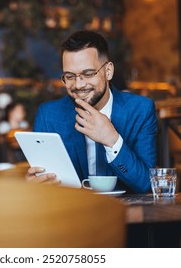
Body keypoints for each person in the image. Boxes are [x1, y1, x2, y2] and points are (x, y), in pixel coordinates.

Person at [26, 30, 157, 193]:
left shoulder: (140, 110)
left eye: (88, 74)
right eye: (69, 76)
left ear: (108, 71)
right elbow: (44, 186)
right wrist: (37, 184)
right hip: (73, 213)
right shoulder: (49, 115)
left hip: (125, 213)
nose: (79, 85)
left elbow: (147, 184)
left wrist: (112, 140)